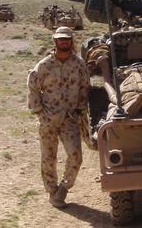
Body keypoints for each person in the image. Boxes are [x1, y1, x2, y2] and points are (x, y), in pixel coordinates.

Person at [27, 26, 89, 208]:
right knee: (48, 157)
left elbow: (85, 88)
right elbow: (32, 87)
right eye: (60, 39)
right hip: (49, 119)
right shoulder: (44, 65)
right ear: (55, 41)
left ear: (71, 41)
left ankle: (64, 187)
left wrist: (80, 109)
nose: (64, 42)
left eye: (67, 39)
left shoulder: (78, 65)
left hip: (69, 119)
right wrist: (38, 111)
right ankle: (52, 192)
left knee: (76, 156)